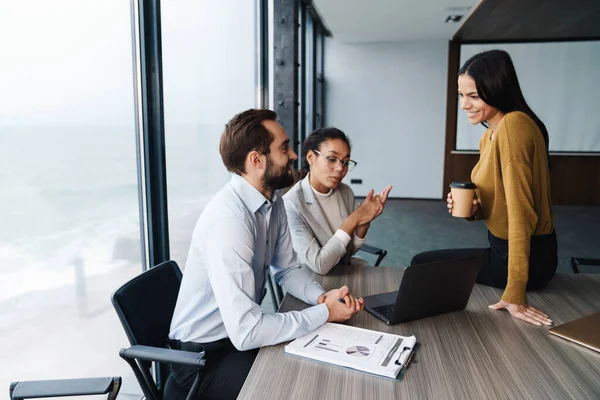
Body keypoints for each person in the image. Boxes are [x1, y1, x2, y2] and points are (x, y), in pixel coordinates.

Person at [168, 110, 364, 399]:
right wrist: (324, 313)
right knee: (297, 387)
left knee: (319, 367)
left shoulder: (272, 202)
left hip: (235, 340)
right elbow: (248, 331)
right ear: (256, 160)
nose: (295, 155)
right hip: (204, 360)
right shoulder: (230, 222)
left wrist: (321, 297)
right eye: (284, 148)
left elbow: (287, 269)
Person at [411, 50, 557, 327]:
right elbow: (497, 204)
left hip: (527, 257)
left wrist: (515, 292)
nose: (464, 104)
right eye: (461, 95)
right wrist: (474, 208)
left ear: (498, 90)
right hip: (501, 249)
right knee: (426, 263)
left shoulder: (514, 126)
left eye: (474, 96)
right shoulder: (490, 134)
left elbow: (521, 213)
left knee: (422, 262)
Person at [283, 127, 392, 275]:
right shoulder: (291, 204)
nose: (340, 168)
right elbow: (320, 265)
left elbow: (346, 252)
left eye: (346, 162)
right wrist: (353, 220)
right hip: (312, 279)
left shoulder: (345, 192)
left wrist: (362, 226)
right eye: (332, 159)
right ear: (310, 157)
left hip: (341, 270)